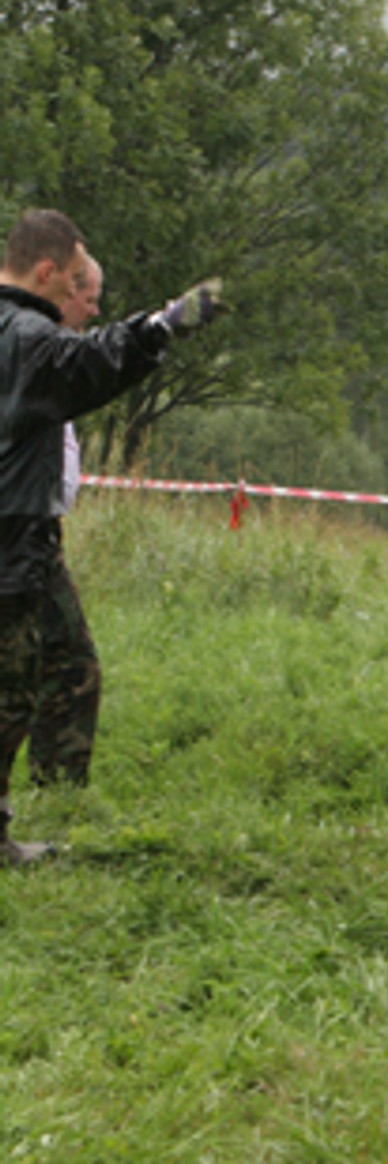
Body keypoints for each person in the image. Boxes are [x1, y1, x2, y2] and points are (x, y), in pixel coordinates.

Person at [0, 209, 227, 865]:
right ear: (48, 273)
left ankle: (48, 796)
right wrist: (162, 326)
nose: (83, 297)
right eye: (77, 281)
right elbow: (85, 362)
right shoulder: (26, 336)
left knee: (61, 666)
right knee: (10, 693)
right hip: (10, 538)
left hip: (25, 537)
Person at [24, 252, 106, 787]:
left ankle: (55, 783)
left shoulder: (48, 353)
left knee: (60, 661)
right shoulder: (30, 347)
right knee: (69, 663)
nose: (93, 312)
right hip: (19, 530)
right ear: (62, 287)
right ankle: (56, 782)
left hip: (36, 528)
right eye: (89, 299)